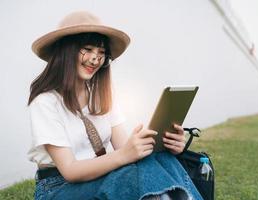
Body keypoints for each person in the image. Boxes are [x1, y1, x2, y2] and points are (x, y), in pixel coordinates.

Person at [27, 11, 203, 200]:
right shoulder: (45, 102)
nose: (95, 58)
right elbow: (70, 170)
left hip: (101, 175)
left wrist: (166, 146)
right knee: (127, 178)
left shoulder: (102, 97)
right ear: (66, 50)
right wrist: (125, 155)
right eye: (87, 49)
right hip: (58, 187)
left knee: (161, 158)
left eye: (101, 52)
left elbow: (123, 148)